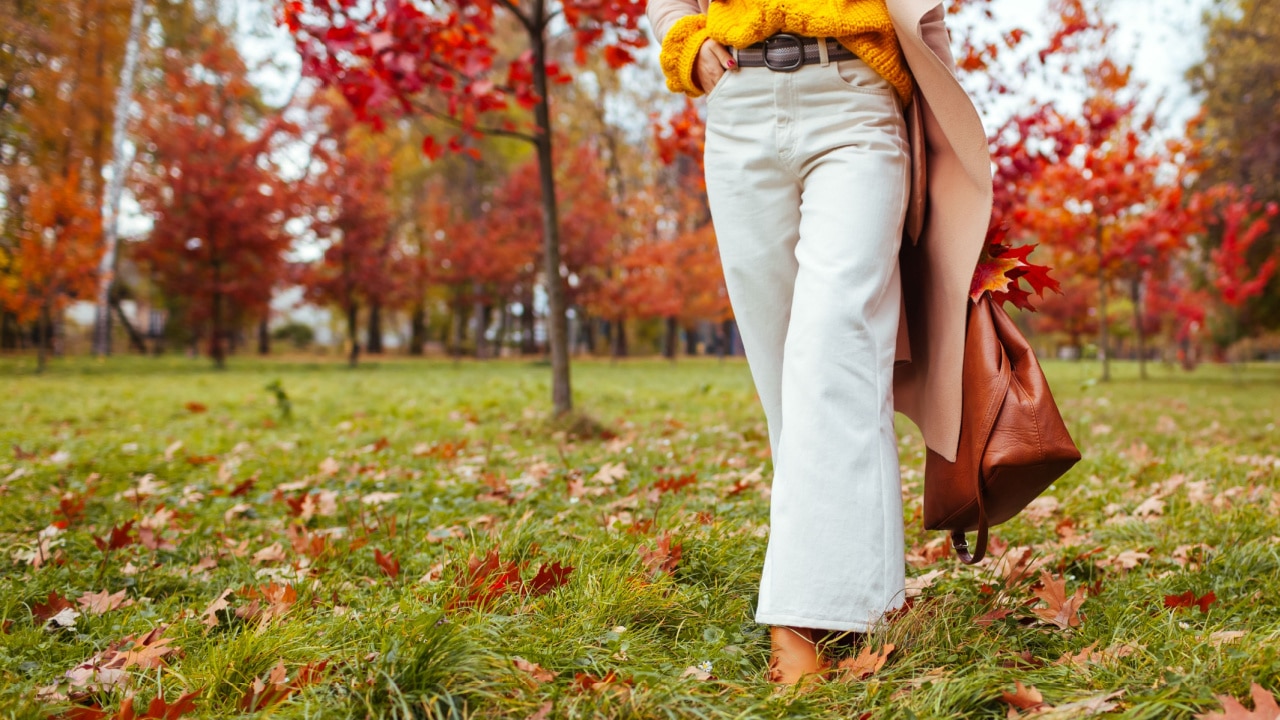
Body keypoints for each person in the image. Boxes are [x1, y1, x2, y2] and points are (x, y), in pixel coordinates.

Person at [645, 0, 994, 684]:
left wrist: (959, 163)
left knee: (835, 346)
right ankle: (863, 593)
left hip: (855, 99)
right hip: (739, 102)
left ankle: (797, 622)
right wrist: (682, 41)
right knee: (784, 379)